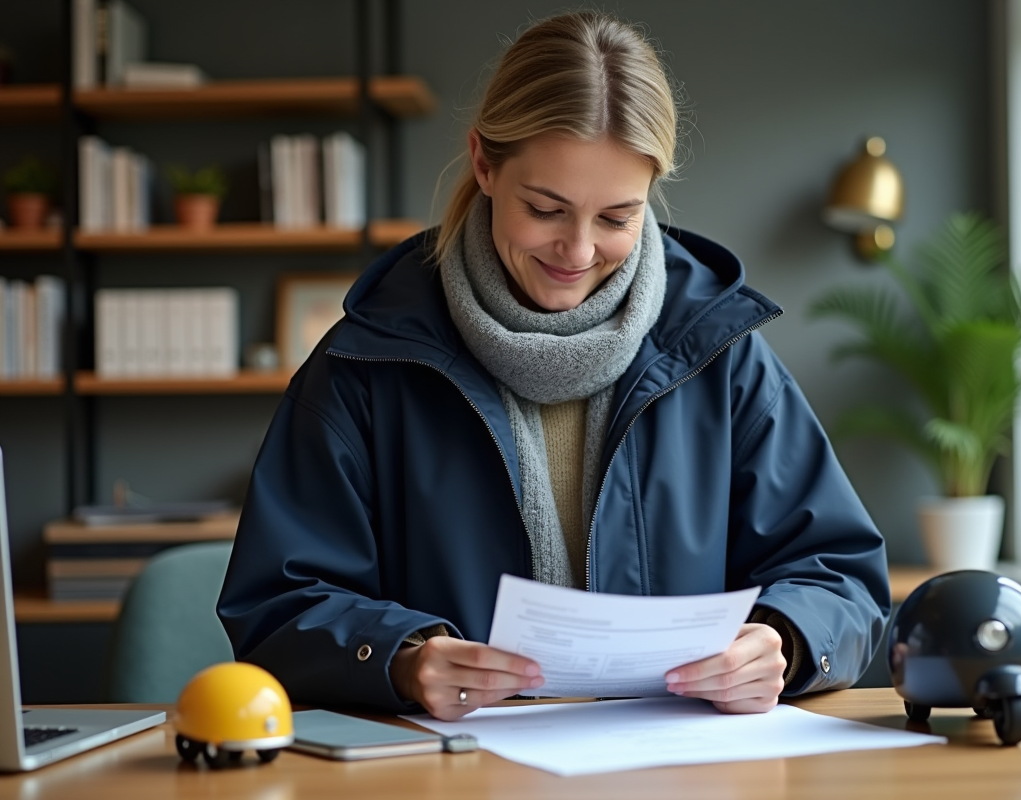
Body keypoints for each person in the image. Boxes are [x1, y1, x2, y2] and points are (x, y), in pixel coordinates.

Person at [218, 11, 890, 722]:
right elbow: (277, 607)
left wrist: (783, 639)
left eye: (617, 217)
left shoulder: (721, 353)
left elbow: (840, 577)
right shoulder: (365, 361)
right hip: (452, 775)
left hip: (681, 770)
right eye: (545, 209)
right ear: (484, 164)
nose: (577, 250)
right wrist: (403, 659)